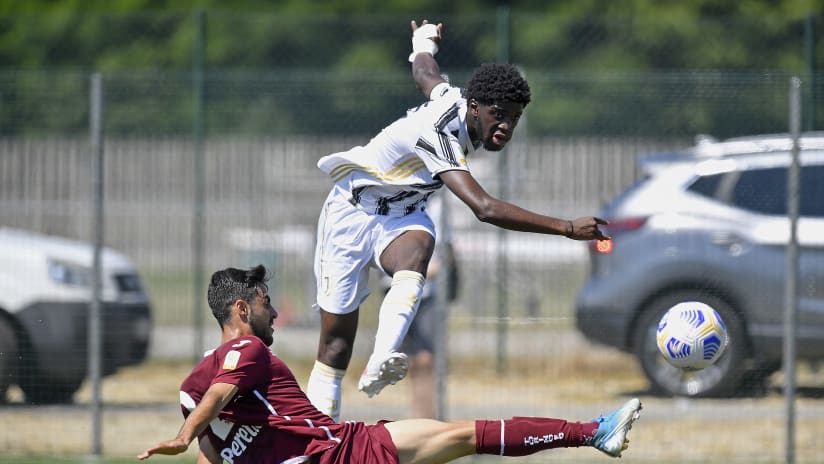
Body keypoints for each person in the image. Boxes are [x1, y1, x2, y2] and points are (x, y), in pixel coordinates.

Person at [307, 19, 610, 421]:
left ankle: (383, 355)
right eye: (498, 114)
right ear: (474, 107)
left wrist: (422, 41)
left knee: (419, 247)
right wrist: (567, 228)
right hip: (350, 211)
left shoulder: (453, 99)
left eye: (514, 118)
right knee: (334, 347)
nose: (505, 126)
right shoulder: (438, 134)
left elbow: (424, 73)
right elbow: (484, 208)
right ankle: (314, 438)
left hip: (401, 215)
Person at [138, 265, 641, 464]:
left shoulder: (190, 383)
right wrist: (185, 436)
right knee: (464, 435)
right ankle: (591, 432)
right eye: (266, 303)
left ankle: (592, 432)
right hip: (342, 454)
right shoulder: (246, 351)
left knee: (460, 434)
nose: (273, 313)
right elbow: (218, 398)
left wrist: (193, 434)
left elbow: (211, 443)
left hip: (347, 444)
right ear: (242, 310)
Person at [398, 192, 457, 418]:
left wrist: (426, 270)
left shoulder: (437, 206)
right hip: (397, 291)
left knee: (426, 359)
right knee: (412, 362)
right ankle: (420, 418)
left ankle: (431, 418)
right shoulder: (394, 196)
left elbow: (446, 254)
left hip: (427, 295)